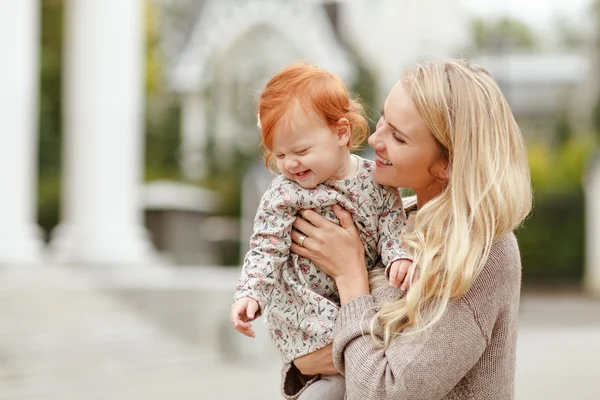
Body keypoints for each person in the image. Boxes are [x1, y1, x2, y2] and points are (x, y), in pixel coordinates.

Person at [285, 59, 533, 399]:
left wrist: (350, 277)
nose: (374, 138)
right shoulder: (395, 219)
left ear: (447, 163)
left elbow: (387, 391)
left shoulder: (483, 252)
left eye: (398, 137)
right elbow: (308, 357)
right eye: (384, 118)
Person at [230, 63, 414, 399]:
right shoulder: (284, 192)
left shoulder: (377, 182)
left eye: (301, 151)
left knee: (360, 362)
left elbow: (392, 222)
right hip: (306, 308)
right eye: (280, 155)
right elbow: (265, 246)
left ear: (341, 133)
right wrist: (250, 292)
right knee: (336, 375)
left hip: (357, 301)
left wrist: (398, 254)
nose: (291, 164)